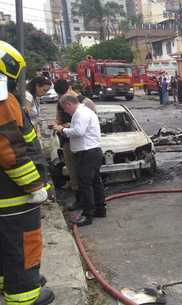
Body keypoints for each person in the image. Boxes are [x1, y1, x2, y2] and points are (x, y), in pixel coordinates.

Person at [0, 40, 55, 305]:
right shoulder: (2, 101)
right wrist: (35, 187)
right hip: (14, 198)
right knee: (24, 245)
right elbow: (11, 152)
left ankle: (11, 280)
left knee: (6, 246)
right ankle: (24, 294)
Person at [52, 95, 105, 227]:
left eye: (65, 109)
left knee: (85, 184)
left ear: (69, 104)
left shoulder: (80, 113)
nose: (65, 112)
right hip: (93, 152)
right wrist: (71, 125)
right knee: (95, 182)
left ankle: (88, 215)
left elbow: (79, 132)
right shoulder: (85, 112)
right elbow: (81, 129)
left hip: (86, 153)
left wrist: (62, 129)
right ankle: (100, 209)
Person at [53, 79, 96, 209]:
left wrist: (68, 126)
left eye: (65, 93)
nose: (63, 98)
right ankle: (80, 199)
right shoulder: (61, 102)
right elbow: (59, 117)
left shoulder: (83, 101)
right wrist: (58, 125)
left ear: (70, 88)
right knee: (73, 171)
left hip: (83, 144)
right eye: (60, 95)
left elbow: (90, 117)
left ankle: (88, 203)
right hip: (68, 141)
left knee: (85, 175)